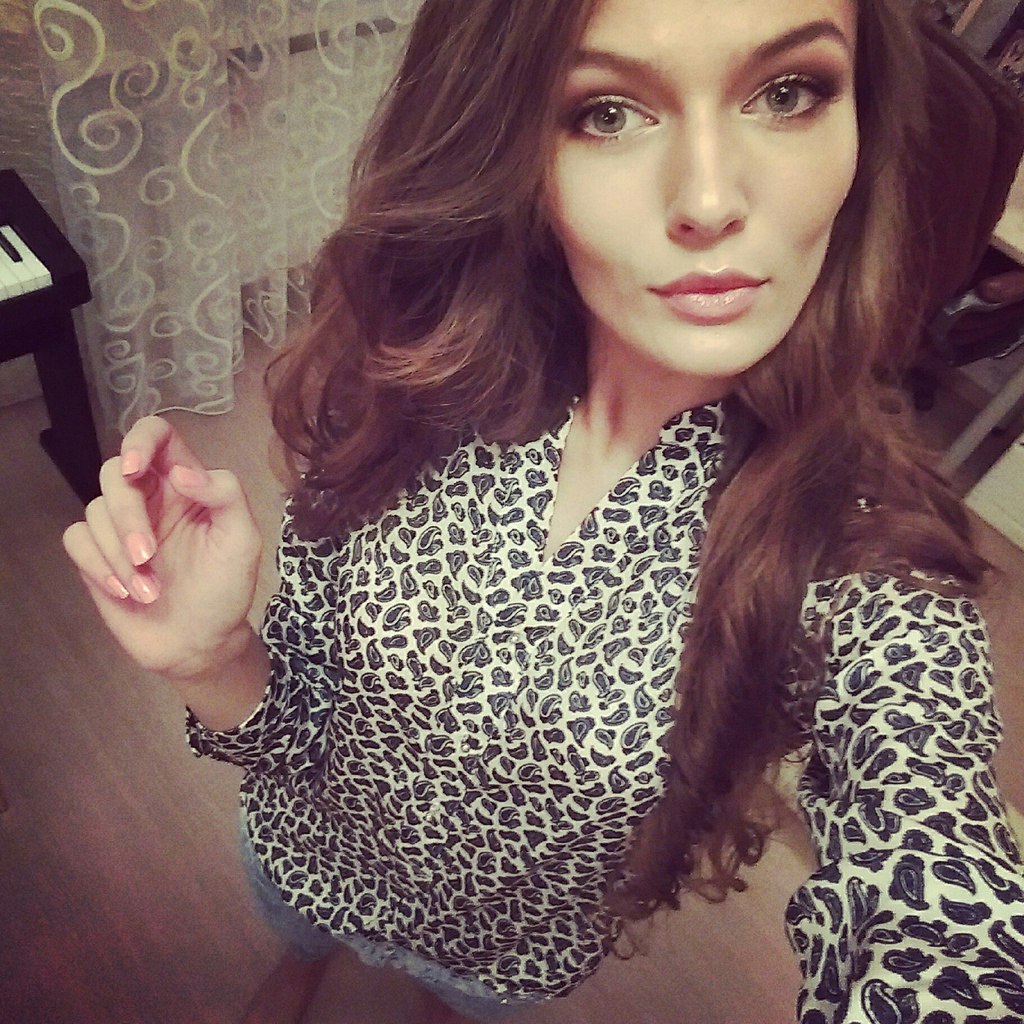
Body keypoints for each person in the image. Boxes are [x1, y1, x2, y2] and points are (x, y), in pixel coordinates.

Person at [62, 0, 1024, 1021]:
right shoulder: (412, 375)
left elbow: (935, 866)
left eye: (787, 93)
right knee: (297, 949)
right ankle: (303, 963)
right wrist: (211, 659)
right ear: (514, 141)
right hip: (305, 853)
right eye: (607, 111)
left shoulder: (864, 563)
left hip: (494, 954)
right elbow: (304, 712)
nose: (708, 198)